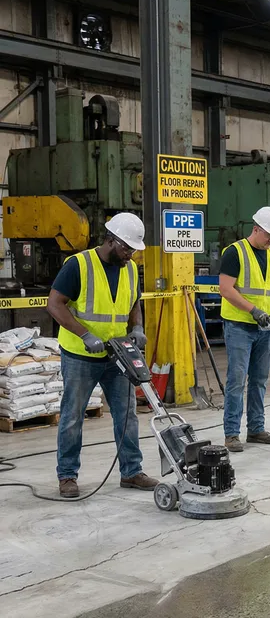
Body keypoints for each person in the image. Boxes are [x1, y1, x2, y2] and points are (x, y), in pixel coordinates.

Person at [47, 213, 158, 499]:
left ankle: (131, 471)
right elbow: (55, 304)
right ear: (110, 240)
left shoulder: (130, 268)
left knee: (127, 415)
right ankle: (67, 475)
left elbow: (134, 302)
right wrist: (84, 334)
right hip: (80, 355)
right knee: (73, 416)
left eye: (133, 249)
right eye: (126, 248)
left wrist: (137, 327)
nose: (130, 254)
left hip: (117, 354)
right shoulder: (79, 265)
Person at [219, 206, 270, 453]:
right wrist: (253, 310)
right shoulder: (235, 252)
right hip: (240, 326)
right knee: (237, 381)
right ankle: (231, 434)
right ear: (255, 229)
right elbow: (226, 289)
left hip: (265, 328)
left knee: (259, 380)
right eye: (267, 235)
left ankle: (256, 429)